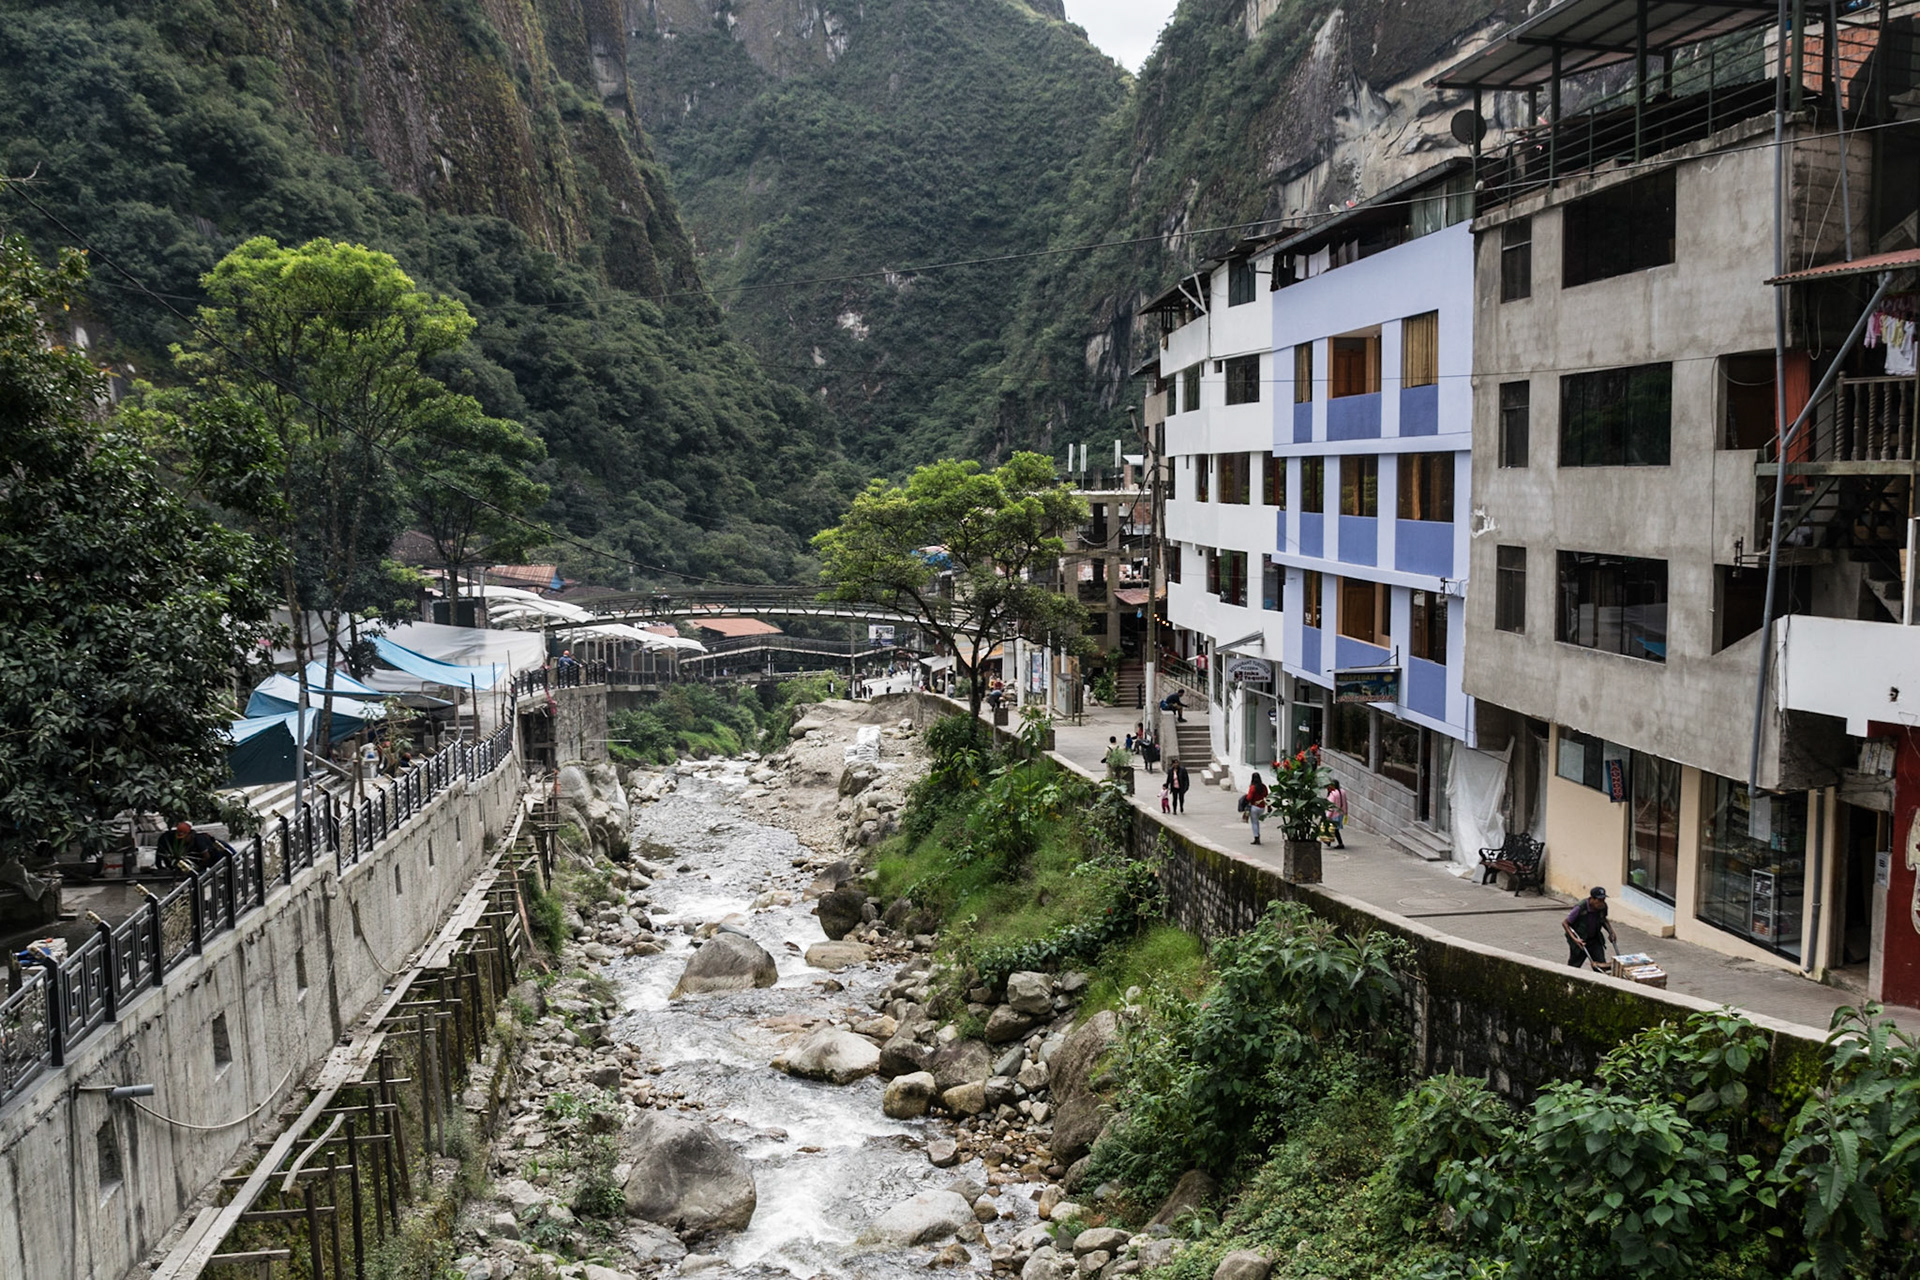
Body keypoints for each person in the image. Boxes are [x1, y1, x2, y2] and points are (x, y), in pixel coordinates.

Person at [1564, 887, 1618, 969]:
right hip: (1581, 941)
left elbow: (1603, 919)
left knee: (1600, 964)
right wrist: (1575, 939)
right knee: (1574, 965)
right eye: (1599, 900)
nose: (1601, 903)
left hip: (1595, 939)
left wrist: (1611, 932)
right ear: (1592, 899)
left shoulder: (1602, 907)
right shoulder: (1580, 908)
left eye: (1603, 900)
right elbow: (1565, 923)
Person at [155, 820, 232, 870]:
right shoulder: (168, 837)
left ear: (190, 834)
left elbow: (206, 857)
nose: (182, 840)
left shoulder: (199, 839)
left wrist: (197, 868)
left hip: (218, 852)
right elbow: (160, 852)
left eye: (184, 837)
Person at [1245, 772, 1270, 845]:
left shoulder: (1252, 787)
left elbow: (1249, 798)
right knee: (1257, 822)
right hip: (1262, 807)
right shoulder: (1263, 787)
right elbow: (1267, 797)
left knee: (1254, 823)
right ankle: (1257, 835)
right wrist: (1269, 807)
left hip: (1254, 807)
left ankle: (1256, 837)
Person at [1325, 779, 1349, 849]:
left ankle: (1340, 843)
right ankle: (1329, 841)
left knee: (1334, 829)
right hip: (1341, 813)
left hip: (1334, 814)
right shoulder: (1342, 792)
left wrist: (1328, 815)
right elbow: (1345, 803)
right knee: (1334, 829)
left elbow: (1331, 806)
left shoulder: (1333, 794)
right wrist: (1346, 812)